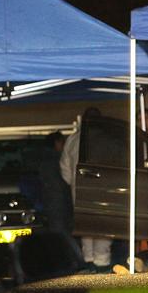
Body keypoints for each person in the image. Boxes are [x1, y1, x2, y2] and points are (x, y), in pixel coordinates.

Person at [60, 107, 113, 273]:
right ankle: (102, 262)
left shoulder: (73, 139)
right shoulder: (107, 139)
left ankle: (88, 260)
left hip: (80, 188)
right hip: (103, 188)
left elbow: (65, 167)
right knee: (103, 225)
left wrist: (72, 183)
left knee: (86, 225)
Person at [38, 131, 73, 236]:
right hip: (58, 203)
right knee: (60, 233)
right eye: (63, 143)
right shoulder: (56, 160)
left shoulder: (45, 160)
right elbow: (59, 183)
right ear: (57, 143)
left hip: (52, 203)